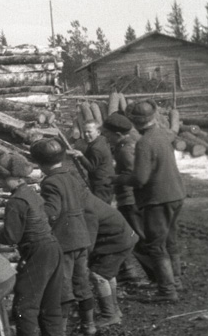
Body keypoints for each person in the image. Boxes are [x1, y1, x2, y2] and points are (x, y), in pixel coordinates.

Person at [0, 154, 65, 336]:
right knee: (50, 300)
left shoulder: (16, 201)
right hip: (52, 247)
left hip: (38, 251)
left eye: (2, 179)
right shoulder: (31, 193)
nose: (0, 183)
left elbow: (11, 236)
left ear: (13, 178)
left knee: (25, 302)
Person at [26, 138, 95, 336]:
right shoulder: (72, 176)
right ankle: (89, 325)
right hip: (82, 236)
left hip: (64, 241)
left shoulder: (50, 182)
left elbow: (52, 212)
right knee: (82, 283)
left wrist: (35, 208)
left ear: (40, 163)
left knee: (62, 287)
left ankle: (60, 335)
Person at [125, 100, 185, 303]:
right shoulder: (164, 134)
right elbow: (173, 131)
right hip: (176, 194)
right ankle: (176, 282)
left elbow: (140, 178)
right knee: (171, 240)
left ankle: (167, 291)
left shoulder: (144, 143)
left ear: (134, 121)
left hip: (158, 199)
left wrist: (119, 178)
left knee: (156, 246)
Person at [104, 112, 153, 289]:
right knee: (140, 238)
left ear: (117, 135)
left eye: (107, 134)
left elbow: (137, 176)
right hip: (128, 199)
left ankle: (157, 277)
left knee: (139, 239)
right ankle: (158, 276)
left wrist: (115, 179)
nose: (106, 137)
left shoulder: (125, 150)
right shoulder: (125, 144)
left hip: (130, 201)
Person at [86, 194, 138, 330]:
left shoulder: (86, 207)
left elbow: (89, 242)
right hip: (122, 237)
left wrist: (81, 259)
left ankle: (109, 315)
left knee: (98, 275)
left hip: (117, 241)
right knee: (107, 274)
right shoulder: (88, 198)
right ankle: (114, 310)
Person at [77, 120, 116, 204]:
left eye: (89, 132)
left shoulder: (96, 148)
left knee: (101, 208)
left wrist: (80, 156)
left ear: (98, 132)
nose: (86, 135)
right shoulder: (102, 139)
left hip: (101, 184)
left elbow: (91, 168)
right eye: (84, 132)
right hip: (108, 181)